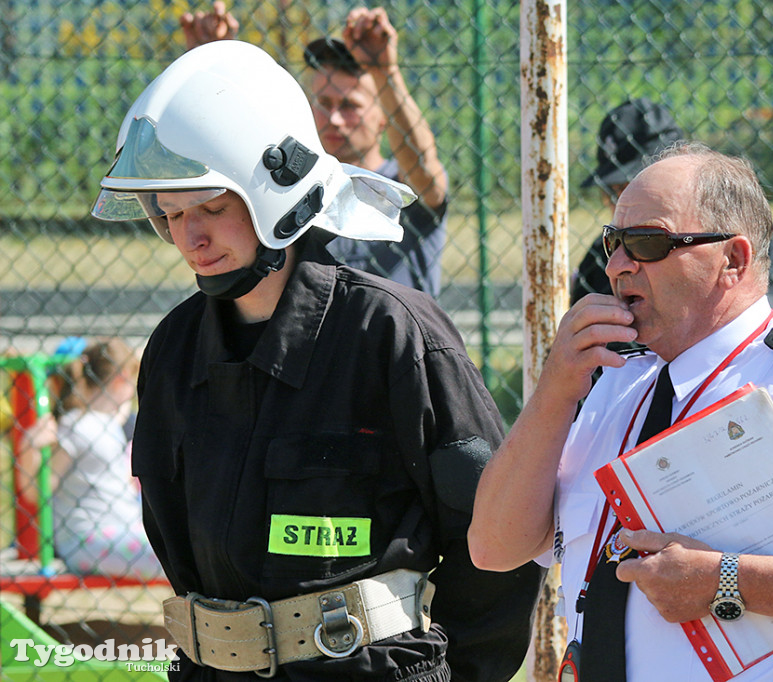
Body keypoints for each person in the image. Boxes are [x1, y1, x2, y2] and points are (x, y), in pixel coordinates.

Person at [90, 40, 542, 681]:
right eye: (171, 213)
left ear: (278, 192)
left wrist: (455, 672)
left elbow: (499, 539)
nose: (191, 236)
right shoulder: (173, 352)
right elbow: (172, 535)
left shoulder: (390, 333)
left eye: (213, 208)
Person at [467, 142, 773, 681]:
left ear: (734, 260)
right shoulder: (614, 381)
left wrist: (724, 581)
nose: (616, 266)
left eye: (647, 243)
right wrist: (554, 391)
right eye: (614, 241)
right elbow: (494, 547)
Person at [181, 4, 449, 298]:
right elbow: (231, 144)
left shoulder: (403, 189)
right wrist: (212, 63)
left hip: (391, 339)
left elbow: (424, 165)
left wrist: (384, 71)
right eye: (324, 103)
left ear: (383, 115)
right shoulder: (287, 190)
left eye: (350, 106)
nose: (333, 118)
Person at [572, 98, 773, 322]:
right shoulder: (604, 253)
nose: (625, 200)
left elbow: (762, 327)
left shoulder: (744, 234)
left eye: (639, 183)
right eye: (613, 191)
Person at [18, 338, 163, 581]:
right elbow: (37, 492)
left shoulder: (104, 423)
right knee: (179, 551)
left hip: (117, 534)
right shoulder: (78, 426)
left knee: (182, 546)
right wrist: (28, 449)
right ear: (122, 381)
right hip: (88, 541)